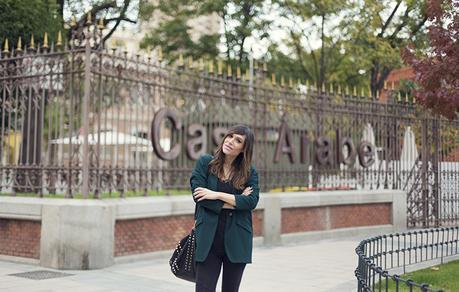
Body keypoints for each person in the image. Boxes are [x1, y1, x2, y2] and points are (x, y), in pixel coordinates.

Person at [191, 124, 259, 292]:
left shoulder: (249, 173)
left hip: (237, 240)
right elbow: (199, 196)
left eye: (238, 140)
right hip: (208, 240)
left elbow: (251, 202)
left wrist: (216, 195)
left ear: (244, 149)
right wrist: (236, 202)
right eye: (230, 136)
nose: (230, 141)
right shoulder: (205, 163)